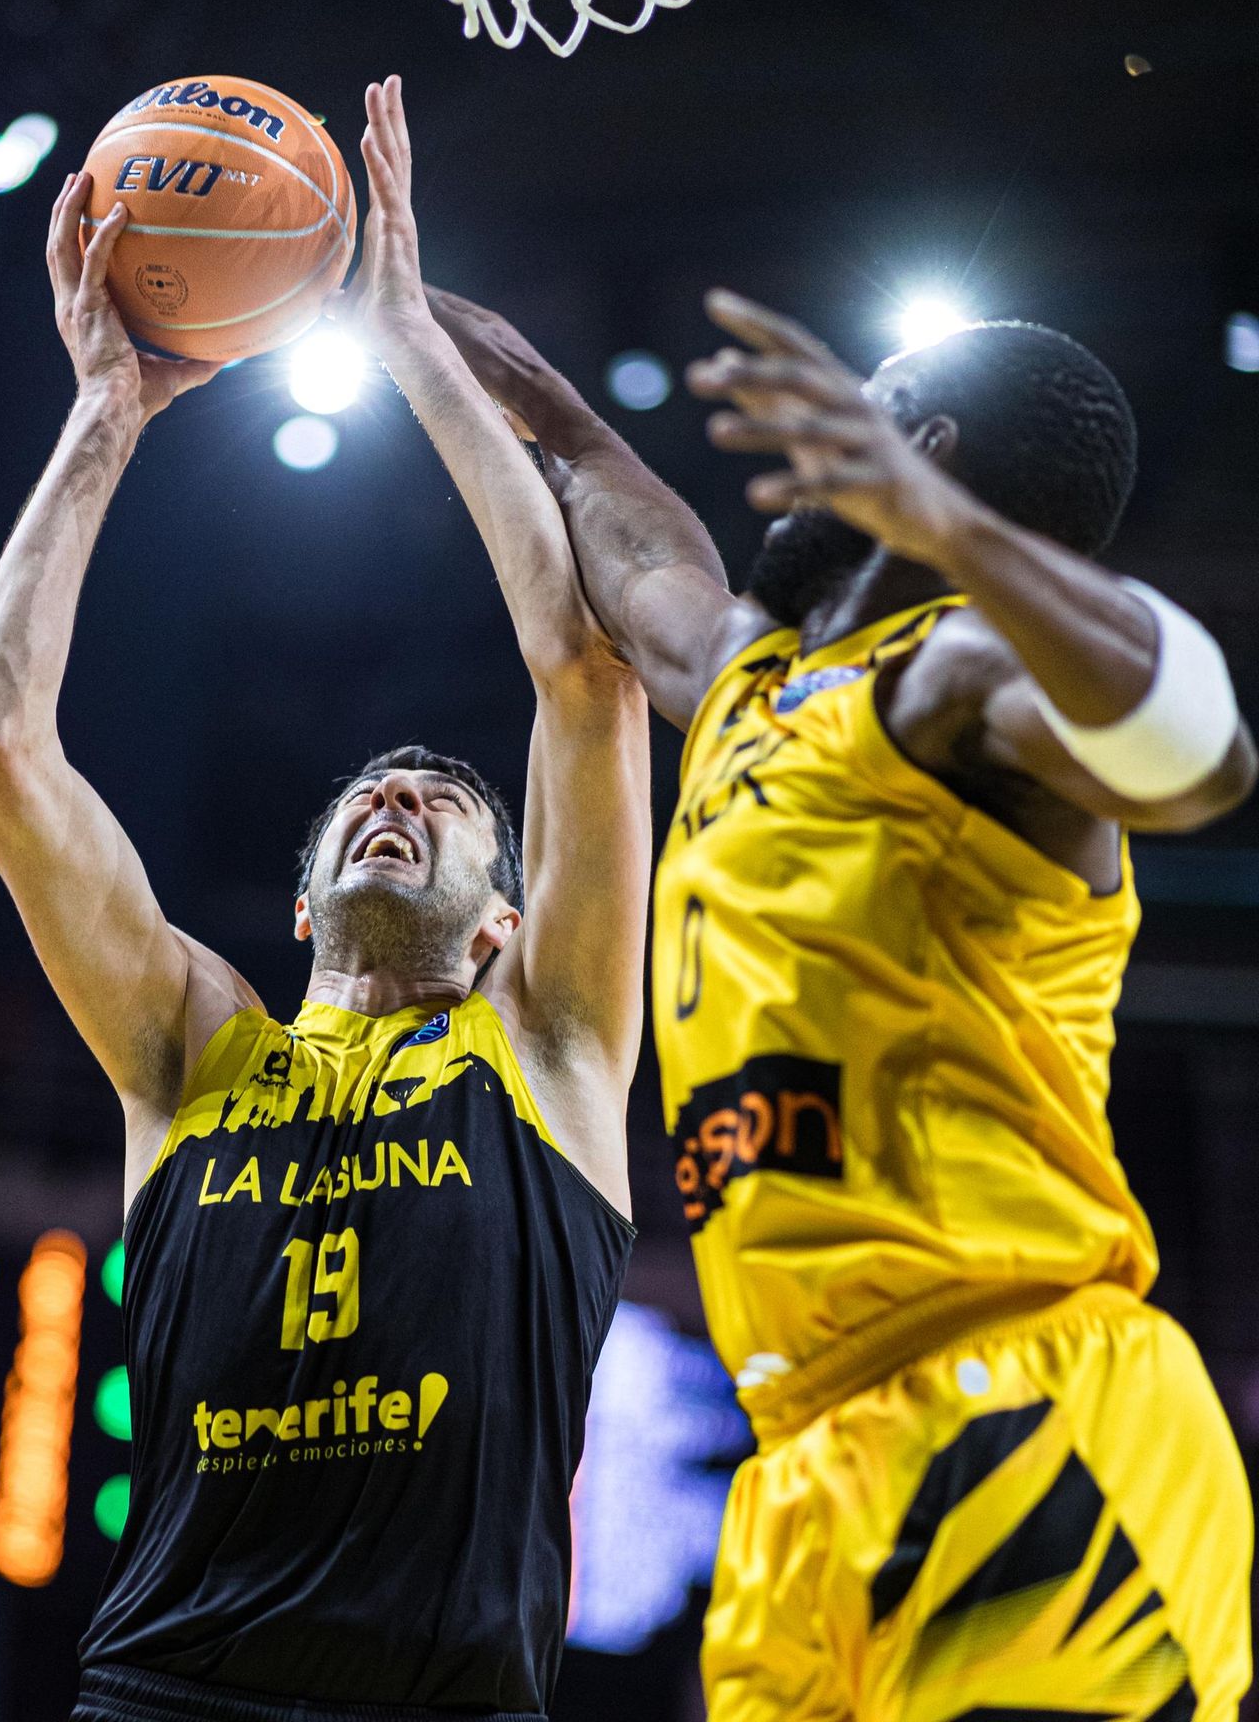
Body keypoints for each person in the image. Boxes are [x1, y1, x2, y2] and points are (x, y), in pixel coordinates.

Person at [429, 281, 1256, 1720]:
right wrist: (411, 311)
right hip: (802, 1466)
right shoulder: (747, 683)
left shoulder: (962, 678)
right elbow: (602, 496)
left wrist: (951, 533)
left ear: (919, 453)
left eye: (865, 409)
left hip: (1021, 1407)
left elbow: (1205, 757)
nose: (812, 455)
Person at [0, 78, 649, 1722]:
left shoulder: (548, 1046)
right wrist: (106, 415)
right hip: (164, 1693)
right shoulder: (195, 1051)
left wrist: (410, 341)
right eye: (368, 801)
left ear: (503, 924)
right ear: (307, 907)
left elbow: (585, 672)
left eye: (445, 804)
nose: (396, 798)